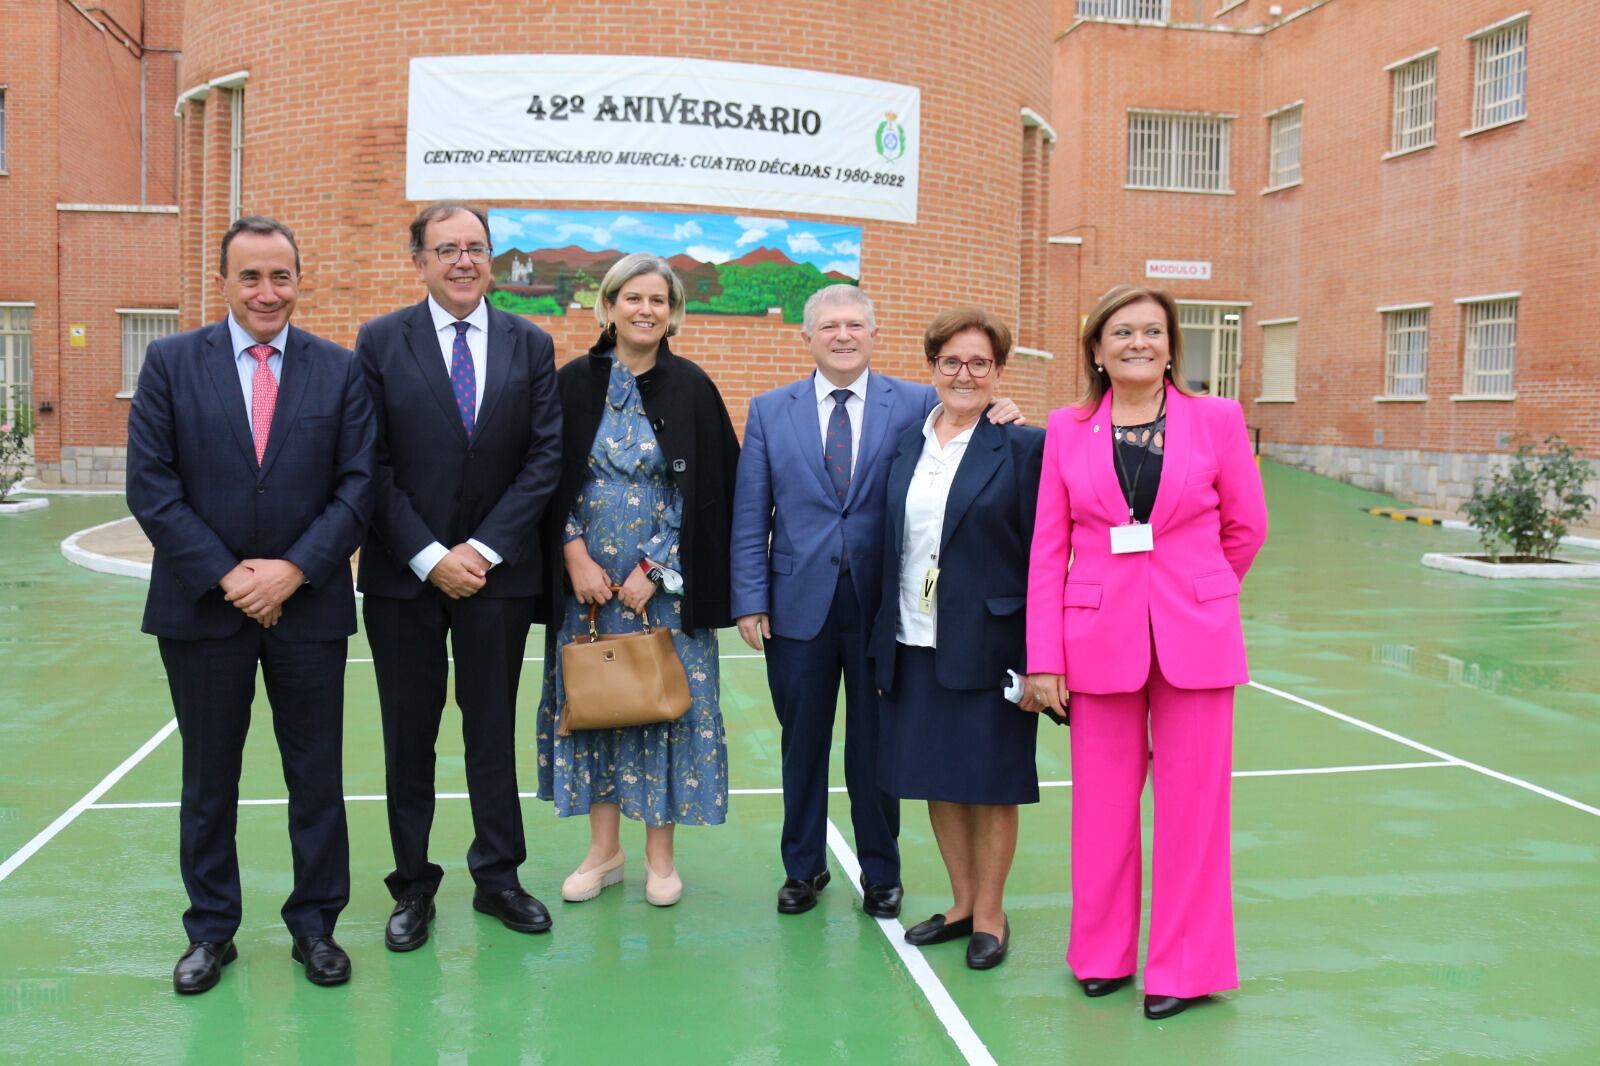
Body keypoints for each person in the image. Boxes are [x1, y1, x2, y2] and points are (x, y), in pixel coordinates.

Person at [126, 215, 375, 992]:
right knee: (209, 779)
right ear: (223, 282)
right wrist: (234, 577)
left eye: (281, 276)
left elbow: (359, 485)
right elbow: (152, 487)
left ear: (300, 280)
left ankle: (315, 928)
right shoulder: (170, 364)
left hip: (309, 608)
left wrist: (292, 573)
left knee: (316, 776)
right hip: (203, 611)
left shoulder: (340, 370)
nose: (268, 292)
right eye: (251, 276)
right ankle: (210, 932)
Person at [729, 285, 1022, 919]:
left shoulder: (917, 401)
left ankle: (880, 871)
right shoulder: (769, 410)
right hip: (796, 607)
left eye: (855, 324)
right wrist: (750, 599)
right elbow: (751, 514)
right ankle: (802, 868)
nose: (843, 335)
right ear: (807, 337)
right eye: (829, 325)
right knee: (801, 742)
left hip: (881, 610)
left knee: (875, 744)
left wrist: (1006, 412)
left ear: (873, 334)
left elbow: (971, 417)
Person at [1025, 284, 1268, 1019]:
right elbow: (1047, 550)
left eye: (1153, 332)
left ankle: (1186, 970)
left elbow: (1246, 528)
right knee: (1101, 809)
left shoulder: (1217, 419)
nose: (1139, 343)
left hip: (1196, 640)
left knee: (1195, 812)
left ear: (1172, 346)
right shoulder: (1067, 431)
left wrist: (1200, 591)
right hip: (1096, 640)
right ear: (1096, 349)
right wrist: (1045, 659)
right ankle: (1102, 955)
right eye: (1122, 332)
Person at [356, 201, 562, 950]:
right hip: (403, 578)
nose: (464, 261)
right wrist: (428, 555)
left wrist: (481, 550)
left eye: (476, 248)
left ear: (492, 259)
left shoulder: (530, 344)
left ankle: (498, 877)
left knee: (489, 732)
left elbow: (544, 458)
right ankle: (412, 885)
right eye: (447, 249)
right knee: (408, 736)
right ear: (420, 261)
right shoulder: (379, 342)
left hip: (497, 578)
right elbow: (368, 462)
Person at [535, 253, 739, 907]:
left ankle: (659, 858)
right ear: (609, 305)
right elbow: (544, 476)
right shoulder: (571, 385)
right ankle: (603, 854)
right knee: (598, 708)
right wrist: (575, 557)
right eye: (633, 298)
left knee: (661, 710)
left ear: (673, 312)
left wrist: (655, 567)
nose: (645, 310)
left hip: (664, 592)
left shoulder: (693, 388)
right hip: (587, 591)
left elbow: (710, 489)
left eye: (659, 300)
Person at [868, 308, 1045, 970]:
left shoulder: (1024, 445)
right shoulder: (906, 444)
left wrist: (1038, 661)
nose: (964, 373)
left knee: (991, 783)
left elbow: (1046, 556)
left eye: (979, 363)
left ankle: (993, 914)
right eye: (951, 361)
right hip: (914, 641)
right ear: (932, 368)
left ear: (998, 371)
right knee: (939, 777)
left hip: (991, 643)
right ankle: (963, 901)